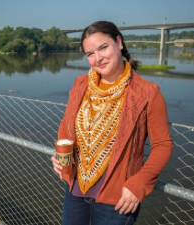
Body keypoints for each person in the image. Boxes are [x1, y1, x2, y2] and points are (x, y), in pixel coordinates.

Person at [51, 21, 173, 225]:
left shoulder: (148, 93)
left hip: (117, 201)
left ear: (119, 42)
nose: (97, 58)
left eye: (103, 47)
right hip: (75, 189)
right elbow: (66, 127)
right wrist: (61, 154)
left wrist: (139, 184)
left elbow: (163, 146)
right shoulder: (81, 84)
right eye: (90, 54)